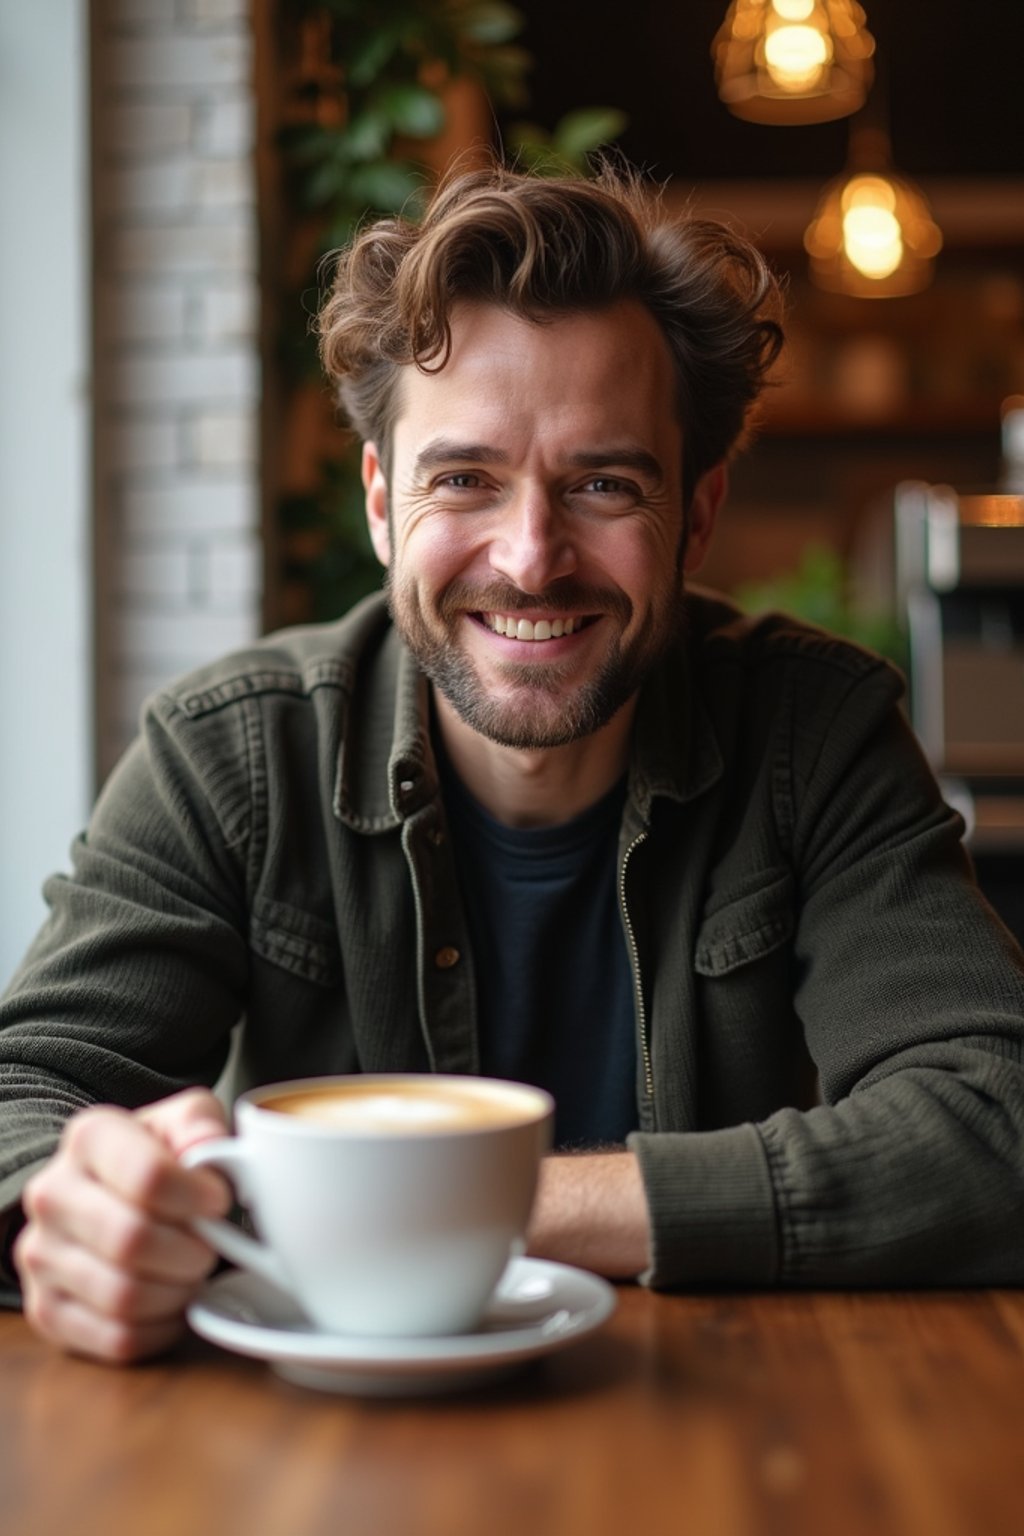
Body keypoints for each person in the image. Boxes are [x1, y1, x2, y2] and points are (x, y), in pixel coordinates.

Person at [2, 163, 1023, 1365]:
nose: (532, 559)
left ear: (695, 517)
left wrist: (451, 1218)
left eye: (602, 483)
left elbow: (995, 1121)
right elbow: (26, 1099)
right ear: (383, 503)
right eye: (465, 480)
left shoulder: (815, 733)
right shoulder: (232, 751)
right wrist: (75, 1216)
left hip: (722, 1427)